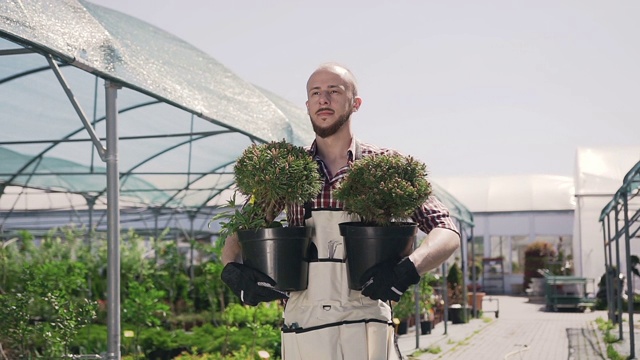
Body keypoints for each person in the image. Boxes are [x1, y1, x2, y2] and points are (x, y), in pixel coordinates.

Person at [221, 63, 460, 360]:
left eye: (334, 91)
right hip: (306, 326)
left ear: (355, 103)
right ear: (307, 105)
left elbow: (446, 229)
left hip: (368, 322)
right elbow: (243, 229)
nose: (324, 99)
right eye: (316, 93)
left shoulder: (384, 166)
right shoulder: (285, 171)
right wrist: (231, 270)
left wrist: (408, 270)